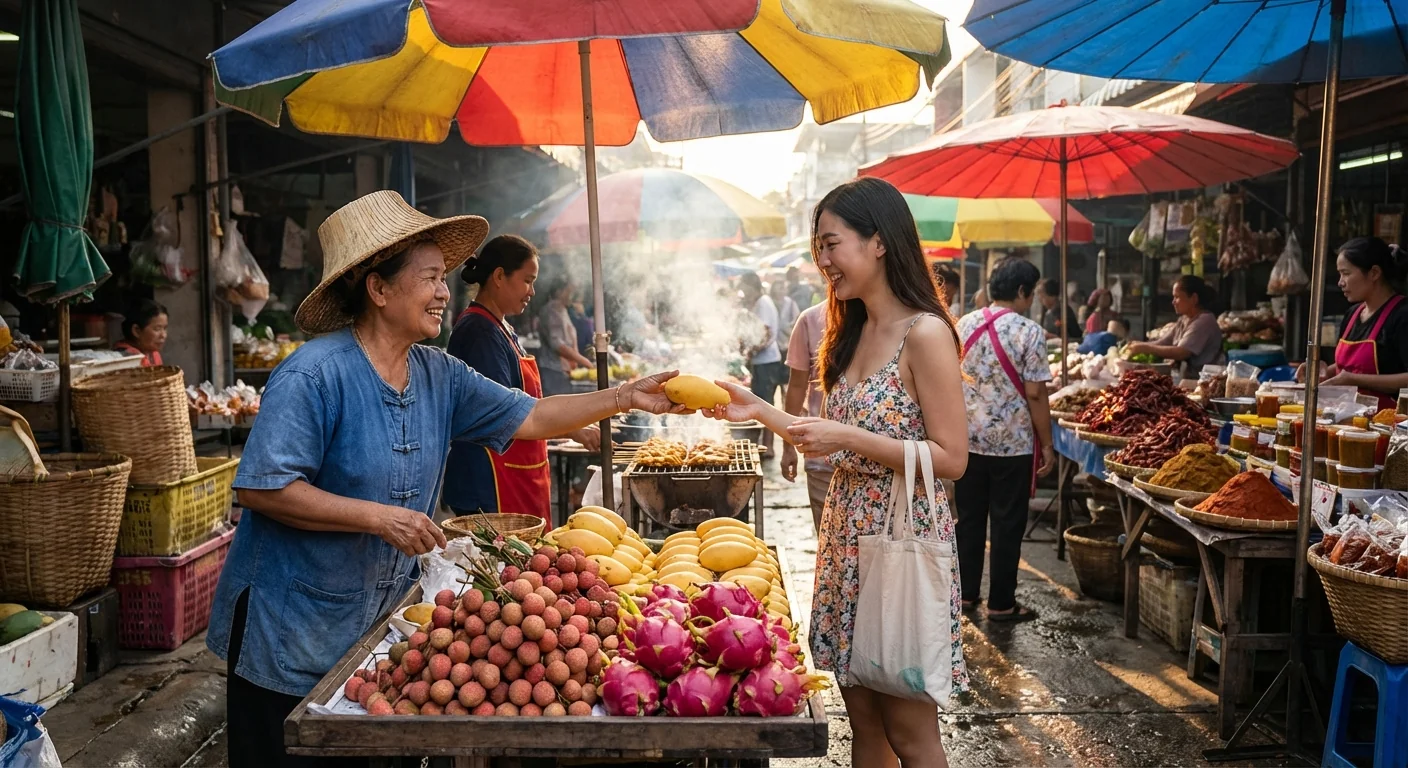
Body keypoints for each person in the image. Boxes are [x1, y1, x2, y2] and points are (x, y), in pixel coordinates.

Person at [206, 191, 685, 767]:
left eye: (445, 277)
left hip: (374, 626)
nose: (443, 292)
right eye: (430, 278)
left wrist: (622, 396)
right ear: (378, 290)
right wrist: (378, 518)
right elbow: (263, 488)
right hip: (291, 629)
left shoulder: (439, 373)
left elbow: (529, 414)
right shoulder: (313, 375)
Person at [705, 178, 968, 768]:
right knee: (864, 725)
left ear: (879, 242)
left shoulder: (924, 334)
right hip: (847, 538)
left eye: (832, 244)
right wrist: (761, 410)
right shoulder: (849, 330)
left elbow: (953, 457)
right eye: (818, 248)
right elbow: (831, 439)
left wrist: (850, 437)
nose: (822, 261)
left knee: (911, 732)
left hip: (900, 541)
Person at [443, 235, 601, 521]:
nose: (532, 291)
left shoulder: (501, 327)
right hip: (489, 484)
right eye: (527, 280)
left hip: (516, 474)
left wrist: (573, 425)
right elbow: (504, 415)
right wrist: (572, 428)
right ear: (500, 276)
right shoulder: (479, 332)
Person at [955, 258, 1055, 623]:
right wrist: (1048, 443)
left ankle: (965, 596)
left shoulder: (964, 323)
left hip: (966, 441)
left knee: (968, 520)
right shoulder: (1030, 332)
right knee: (1007, 523)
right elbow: (1036, 395)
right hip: (1012, 445)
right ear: (1022, 291)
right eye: (1032, 291)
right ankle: (1001, 604)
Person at [1299, 237, 1408, 409]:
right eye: (1340, 274)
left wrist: (1353, 380)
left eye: (1346, 273)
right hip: (1348, 420)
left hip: (1389, 425)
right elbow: (1350, 367)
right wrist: (1324, 372)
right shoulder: (1352, 314)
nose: (1340, 282)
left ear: (1374, 273)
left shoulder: (1402, 315)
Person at [780, 301, 830, 531]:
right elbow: (797, 386)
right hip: (822, 459)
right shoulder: (810, 319)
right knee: (828, 542)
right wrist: (789, 445)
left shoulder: (890, 317)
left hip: (882, 462)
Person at [1125, 274, 1224, 377]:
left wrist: (1145, 348)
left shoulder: (1204, 321)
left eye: (1177, 297)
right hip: (1187, 378)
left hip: (1205, 381)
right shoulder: (1184, 319)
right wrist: (1138, 345)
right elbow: (1163, 342)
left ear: (1194, 298)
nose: (1173, 302)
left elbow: (1182, 352)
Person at [739, 271, 785, 453]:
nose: (744, 293)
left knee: (764, 405)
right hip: (763, 361)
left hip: (767, 362)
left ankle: (768, 448)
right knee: (762, 403)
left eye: (745, 289)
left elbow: (765, 333)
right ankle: (764, 445)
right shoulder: (759, 303)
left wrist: (751, 350)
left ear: (753, 287)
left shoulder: (763, 303)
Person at [537, 275, 595, 396]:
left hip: (563, 371)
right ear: (559, 292)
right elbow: (558, 345)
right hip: (554, 371)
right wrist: (585, 362)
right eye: (569, 291)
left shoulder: (561, 309)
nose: (572, 295)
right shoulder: (552, 309)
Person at [115, 299, 167, 366]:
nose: (163, 335)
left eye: (165, 328)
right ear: (137, 331)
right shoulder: (127, 359)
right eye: (157, 329)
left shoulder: (154, 353)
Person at [770, 277, 801, 346]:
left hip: (787, 342)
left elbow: (797, 319)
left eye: (782, 288)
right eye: (778, 289)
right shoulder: (770, 302)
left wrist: (789, 326)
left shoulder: (790, 303)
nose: (780, 292)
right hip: (773, 342)